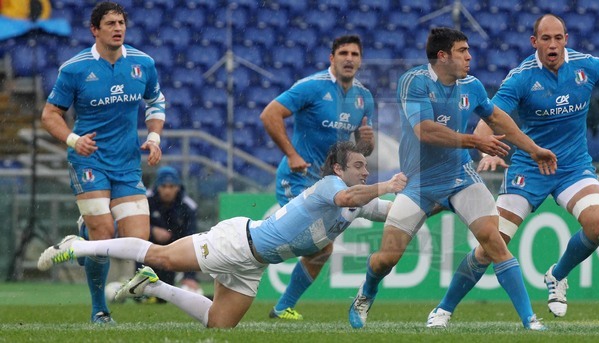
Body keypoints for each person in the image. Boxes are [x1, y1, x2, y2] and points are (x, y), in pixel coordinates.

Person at [426, 14, 599, 327]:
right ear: (534, 42)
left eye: (558, 38)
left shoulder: (587, 66)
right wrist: (485, 145)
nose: (553, 44)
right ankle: (443, 309)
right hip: (528, 168)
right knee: (491, 246)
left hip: (573, 167)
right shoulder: (521, 77)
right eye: (545, 39)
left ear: (566, 39)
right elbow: (491, 116)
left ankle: (557, 275)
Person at [38, 142, 407, 329]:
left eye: (366, 167)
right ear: (339, 168)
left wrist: (432, 201)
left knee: (219, 324)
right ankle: (78, 245)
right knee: (159, 254)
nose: (364, 171)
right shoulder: (330, 185)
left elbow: (396, 211)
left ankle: (151, 287)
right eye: (358, 166)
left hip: (254, 263)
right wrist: (387, 184)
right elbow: (348, 196)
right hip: (237, 242)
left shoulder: (359, 202)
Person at [347, 27, 558, 331]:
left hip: (461, 177)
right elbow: (426, 131)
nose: (470, 56)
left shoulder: (471, 86)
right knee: (386, 259)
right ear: (442, 56)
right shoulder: (414, 81)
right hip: (418, 182)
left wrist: (534, 149)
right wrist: (474, 141)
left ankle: (530, 320)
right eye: (463, 51)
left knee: (494, 243)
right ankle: (366, 292)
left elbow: (497, 119)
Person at [40, 1, 165, 324]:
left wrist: (154, 138)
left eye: (121, 22)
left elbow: (155, 101)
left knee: (137, 241)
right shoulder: (75, 69)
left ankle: (81, 241)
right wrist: (73, 140)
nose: (118, 28)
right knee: (103, 236)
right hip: (89, 159)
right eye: (110, 23)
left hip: (126, 162)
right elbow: (50, 114)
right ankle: (100, 310)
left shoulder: (143, 63)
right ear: (94, 30)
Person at [259, 34, 375, 320]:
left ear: (360, 61)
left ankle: (283, 306)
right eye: (343, 53)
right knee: (310, 244)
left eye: (355, 54)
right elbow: (270, 114)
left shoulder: (364, 97)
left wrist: (366, 143)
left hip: (330, 185)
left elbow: (361, 151)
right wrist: (291, 154)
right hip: (298, 180)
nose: (349, 58)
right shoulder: (311, 87)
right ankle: (233, 256)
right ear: (331, 58)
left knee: (321, 248)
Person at [139, 166, 201, 301]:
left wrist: (189, 277)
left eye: (171, 186)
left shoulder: (188, 207)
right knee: (142, 296)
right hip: (146, 253)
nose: (167, 191)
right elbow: (133, 228)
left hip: (172, 256)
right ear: (157, 186)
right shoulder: (144, 201)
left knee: (163, 298)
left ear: (178, 187)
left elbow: (192, 240)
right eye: (163, 186)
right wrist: (151, 230)